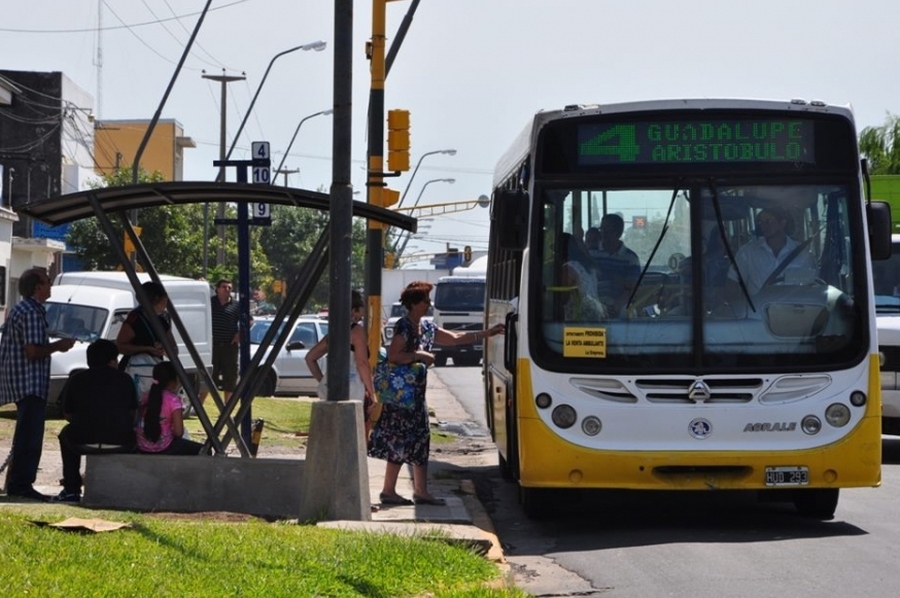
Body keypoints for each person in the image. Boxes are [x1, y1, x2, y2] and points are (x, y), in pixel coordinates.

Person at [368, 281, 505, 506]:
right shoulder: (404, 326)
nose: (428, 304)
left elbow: (454, 338)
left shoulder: (427, 327)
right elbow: (394, 355)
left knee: (418, 441)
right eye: (424, 301)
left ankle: (416, 491)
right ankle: (393, 491)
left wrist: (487, 333)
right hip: (402, 398)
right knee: (401, 443)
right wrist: (420, 355)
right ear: (413, 304)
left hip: (415, 398)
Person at [0, 268, 76, 501]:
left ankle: (18, 482)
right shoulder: (32, 312)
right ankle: (22, 484)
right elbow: (33, 351)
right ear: (37, 287)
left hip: (20, 379)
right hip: (29, 381)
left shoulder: (22, 309)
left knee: (26, 434)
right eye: (46, 280)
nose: (51, 283)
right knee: (30, 437)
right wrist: (59, 346)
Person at [53, 339, 137, 503]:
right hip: (121, 442)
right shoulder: (125, 379)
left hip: (82, 441)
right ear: (113, 361)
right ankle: (126, 486)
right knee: (134, 435)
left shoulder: (77, 379)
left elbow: (68, 414)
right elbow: (132, 413)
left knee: (66, 433)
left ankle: (71, 489)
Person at [304, 290, 377, 436]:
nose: (361, 315)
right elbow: (362, 363)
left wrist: (323, 380)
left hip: (331, 390)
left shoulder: (333, 332)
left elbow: (310, 358)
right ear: (354, 309)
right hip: (354, 391)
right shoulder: (356, 331)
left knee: (333, 434)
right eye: (360, 311)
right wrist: (371, 392)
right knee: (353, 435)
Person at [726, 207, 817, 297]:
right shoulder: (747, 253)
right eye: (761, 222)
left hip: (792, 309)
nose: (764, 226)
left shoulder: (803, 254)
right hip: (758, 310)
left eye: (768, 221)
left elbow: (810, 288)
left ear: (782, 223)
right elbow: (733, 284)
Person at [116, 281, 177, 397]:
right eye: (165, 297)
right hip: (134, 373)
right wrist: (147, 349)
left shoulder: (162, 321)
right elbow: (120, 346)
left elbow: (174, 349)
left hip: (154, 373)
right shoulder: (135, 319)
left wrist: (165, 349)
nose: (166, 301)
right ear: (156, 299)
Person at [134, 361, 204, 455]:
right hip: (164, 447)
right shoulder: (173, 400)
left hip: (142, 446)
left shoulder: (145, 397)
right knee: (204, 450)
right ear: (173, 380)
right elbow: (179, 432)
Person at [592, 213, 641, 317]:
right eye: (602, 229)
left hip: (619, 303)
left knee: (628, 313)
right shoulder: (591, 254)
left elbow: (630, 289)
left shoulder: (630, 258)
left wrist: (616, 307)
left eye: (607, 230)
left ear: (618, 232)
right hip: (594, 301)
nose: (603, 233)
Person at [208, 279, 241, 404]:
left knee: (230, 377)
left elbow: (248, 321)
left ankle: (227, 408)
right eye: (224, 287)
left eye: (229, 288)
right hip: (212, 346)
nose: (227, 289)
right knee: (209, 376)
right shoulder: (210, 303)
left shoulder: (237, 305)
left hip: (229, 347)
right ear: (217, 289)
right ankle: (197, 406)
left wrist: (240, 334)